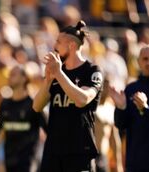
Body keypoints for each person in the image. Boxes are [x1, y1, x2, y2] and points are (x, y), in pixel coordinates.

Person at [32, 20, 103, 172]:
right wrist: (49, 80)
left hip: (79, 150)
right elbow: (37, 106)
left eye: (58, 42)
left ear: (71, 45)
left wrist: (59, 74)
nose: (54, 46)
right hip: (53, 150)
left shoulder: (91, 71)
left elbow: (82, 99)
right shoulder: (57, 71)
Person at [0, 65, 46, 172]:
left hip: (28, 163)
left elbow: (48, 131)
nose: (9, 77)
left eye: (14, 74)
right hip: (9, 162)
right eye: (9, 74)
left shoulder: (35, 104)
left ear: (25, 78)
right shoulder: (5, 104)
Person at [109, 45, 149, 172]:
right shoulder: (131, 89)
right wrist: (121, 107)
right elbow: (121, 125)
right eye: (145, 59)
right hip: (135, 162)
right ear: (138, 62)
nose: (148, 62)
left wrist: (145, 108)